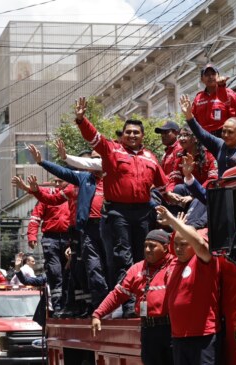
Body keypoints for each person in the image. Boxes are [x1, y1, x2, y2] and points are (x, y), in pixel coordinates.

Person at [73, 97, 168, 317]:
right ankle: (128, 306)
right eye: (128, 132)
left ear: (143, 136)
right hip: (118, 212)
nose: (132, 135)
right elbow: (94, 138)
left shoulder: (151, 158)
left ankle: (146, 302)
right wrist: (81, 119)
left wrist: (178, 196)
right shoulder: (112, 150)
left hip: (144, 212)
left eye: (136, 132)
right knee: (123, 258)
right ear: (122, 135)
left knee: (143, 257)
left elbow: (164, 186)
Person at [26, 142, 108, 315]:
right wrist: (41, 165)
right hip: (82, 232)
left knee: (107, 267)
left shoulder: (114, 179)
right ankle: (83, 306)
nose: (93, 163)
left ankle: (105, 304)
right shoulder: (80, 181)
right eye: (90, 160)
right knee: (84, 269)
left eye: (98, 159)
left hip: (108, 229)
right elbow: (54, 196)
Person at [91, 229, 175, 365]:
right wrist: (97, 314)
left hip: (170, 329)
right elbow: (117, 295)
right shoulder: (137, 269)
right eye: (145, 246)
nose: (147, 250)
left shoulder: (174, 265)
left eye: (152, 246)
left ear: (165, 248)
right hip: (148, 331)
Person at [156, 205, 220, 365]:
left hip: (203, 337)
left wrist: (173, 221)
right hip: (178, 338)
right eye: (176, 244)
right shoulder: (174, 264)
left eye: (184, 244)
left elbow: (199, 243)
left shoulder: (203, 262)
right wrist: (174, 226)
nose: (178, 248)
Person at [13, 175, 71, 314]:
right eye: (55, 181)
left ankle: (70, 306)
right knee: (55, 273)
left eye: (60, 181)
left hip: (70, 239)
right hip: (50, 239)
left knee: (71, 274)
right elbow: (35, 218)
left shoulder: (74, 196)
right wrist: (31, 236)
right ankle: (57, 307)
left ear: (68, 182)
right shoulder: (46, 198)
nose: (57, 184)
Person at [181, 94, 236, 176]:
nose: (226, 135)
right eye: (224, 131)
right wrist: (189, 115)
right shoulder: (219, 145)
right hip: (224, 190)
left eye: (230, 132)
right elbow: (201, 134)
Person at [192, 64, 236, 136]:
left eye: (213, 74)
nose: (210, 77)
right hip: (204, 135)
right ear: (202, 79)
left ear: (218, 76)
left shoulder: (228, 93)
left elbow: (235, 115)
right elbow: (194, 119)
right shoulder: (198, 98)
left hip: (225, 134)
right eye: (207, 75)